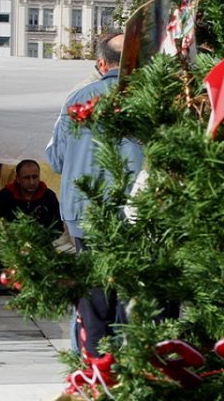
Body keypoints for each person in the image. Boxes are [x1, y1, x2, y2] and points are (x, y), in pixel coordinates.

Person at [45, 33, 144, 357]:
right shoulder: (146, 98)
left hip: (84, 212)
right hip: (136, 212)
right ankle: (125, 364)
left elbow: (56, 160)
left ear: (101, 64)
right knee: (131, 292)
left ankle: (92, 365)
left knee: (94, 291)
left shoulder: (77, 99)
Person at [0, 159, 63, 232]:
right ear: (18, 179)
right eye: (26, 178)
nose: (32, 182)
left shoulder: (49, 196)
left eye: (35, 177)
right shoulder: (5, 196)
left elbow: (58, 224)